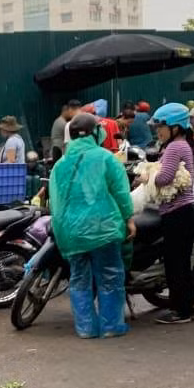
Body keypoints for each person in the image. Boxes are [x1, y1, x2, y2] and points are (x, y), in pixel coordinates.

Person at [48, 111, 135, 339]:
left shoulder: (59, 165)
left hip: (70, 233)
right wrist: (128, 219)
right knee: (110, 277)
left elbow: (54, 203)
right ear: (96, 133)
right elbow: (121, 193)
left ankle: (86, 328)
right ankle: (111, 326)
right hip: (102, 229)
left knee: (79, 280)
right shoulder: (106, 158)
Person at [150, 103, 194, 325]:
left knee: (175, 263)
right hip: (187, 212)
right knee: (182, 261)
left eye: (161, 127)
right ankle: (192, 303)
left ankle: (180, 311)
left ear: (175, 127)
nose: (158, 131)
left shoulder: (173, 148)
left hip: (177, 213)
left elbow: (164, 178)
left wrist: (147, 176)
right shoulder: (185, 145)